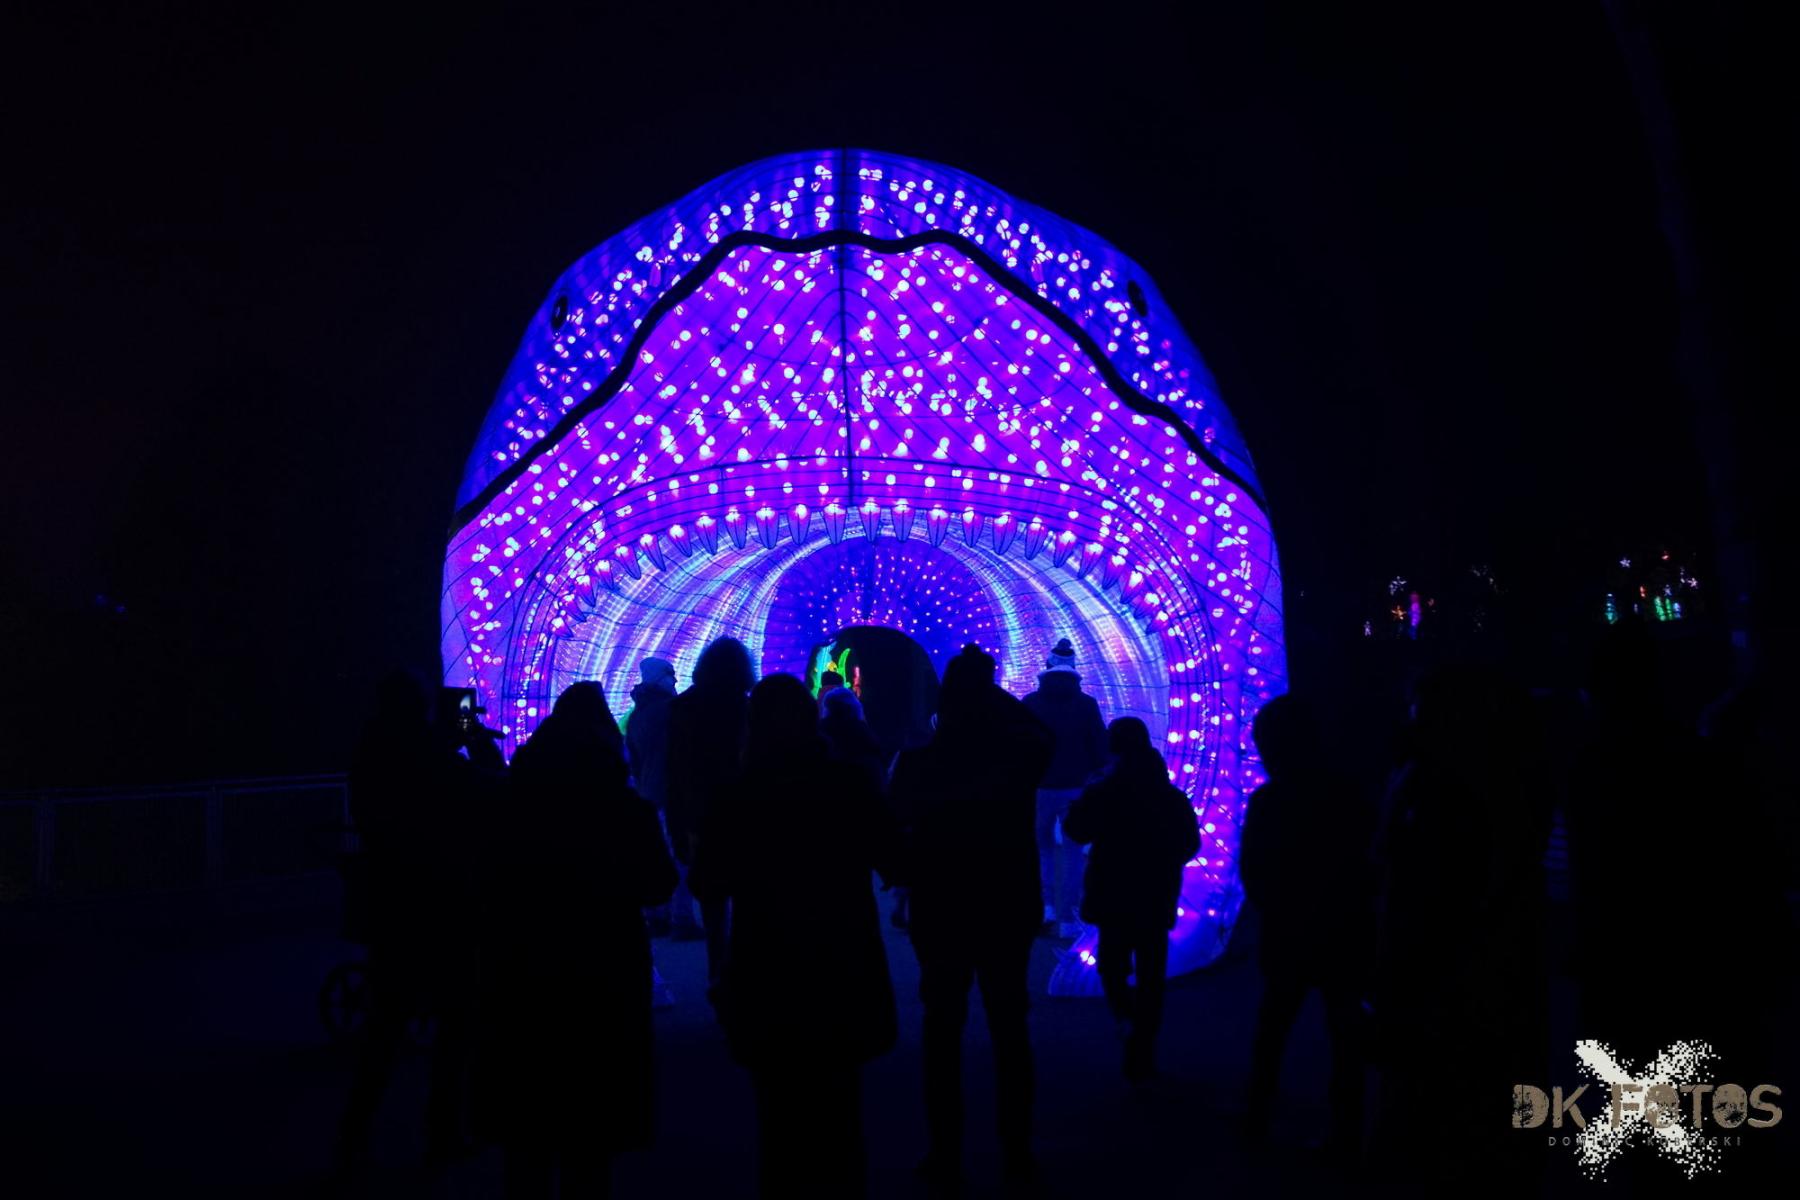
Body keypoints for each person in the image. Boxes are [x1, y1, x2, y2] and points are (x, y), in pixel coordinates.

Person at [687, 674, 900, 1196]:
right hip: (841, 961)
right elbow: (896, 859)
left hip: (768, 966)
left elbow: (707, 882)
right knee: (841, 1114)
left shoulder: (738, 794)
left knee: (778, 1119)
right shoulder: (847, 784)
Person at [473, 681, 677, 1198]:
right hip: (604, 971)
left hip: (524, 968)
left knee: (527, 1123)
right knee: (591, 1131)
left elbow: (481, 874)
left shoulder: (510, 802)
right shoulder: (623, 806)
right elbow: (659, 882)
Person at [891, 644, 1053, 1190]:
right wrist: (992, 695)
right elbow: (1043, 736)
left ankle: (944, 1150)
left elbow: (894, 821)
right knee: (1010, 1026)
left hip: (942, 905)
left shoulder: (922, 761)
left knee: (942, 1027)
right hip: (1007, 901)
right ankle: (1017, 1150)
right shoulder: (1017, 760)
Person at [336, 671, 489, 1175]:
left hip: (393, 903)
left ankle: (354, 1138)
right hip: (442, 904)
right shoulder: (428, 758)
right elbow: (485, 791)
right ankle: (443, 1131)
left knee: (385, 1027)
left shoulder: (373, 753)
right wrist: (471, 743)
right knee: (457, 1021)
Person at [1237, 694, 1373, 1159]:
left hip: (1290, 930)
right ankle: (1346, 1130)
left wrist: (1274, 909)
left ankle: (1258, 1114)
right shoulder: (1349, 793)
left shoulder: (1270, 799)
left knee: (1274, 1026)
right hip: (1343, 929)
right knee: (1345, 1032)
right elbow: (1369, 861)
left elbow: (1253, 870)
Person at [1063, 717, 1199, 1082]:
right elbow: (1190, 843)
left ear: (1113, 747)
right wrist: (1163, 861)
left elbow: (1076, 830)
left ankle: (1125, 1016)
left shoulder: (1104, 791)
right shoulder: (1170, 795)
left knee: (1112, 964)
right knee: (1152, 971)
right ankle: (1144, 1045)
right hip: (1156, 893)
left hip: (1113, 892)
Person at [665, 636, 757, 986]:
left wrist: (679, 825)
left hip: (702, 818)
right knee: (747, 899)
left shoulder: (683, 708)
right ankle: (744, 975)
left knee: (713, 900)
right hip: (743, 817)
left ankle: (718, 972)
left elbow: (677, 772)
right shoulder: (748, 708)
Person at [1021, 637, 1109, 937]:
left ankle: (1044, 908)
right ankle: (1069, 919)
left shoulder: (1031, 703)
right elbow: (1100, 748)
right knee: (1073, 852)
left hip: (1039, 787)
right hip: (1076, 787)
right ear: (1074, 670)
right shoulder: (1087, 705)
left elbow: (1020, 745)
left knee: (1041, 847)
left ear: (1046, 667)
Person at [625, 656, 691, 937]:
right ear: (660, 678)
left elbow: (634, 759)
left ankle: (657, 916)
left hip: (648, 793)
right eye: (670, 674)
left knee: (656, 855)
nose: (675, 680)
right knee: (680, 856)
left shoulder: (637, 716)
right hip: (673, 792)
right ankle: (681, 918)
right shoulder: (671, 711)